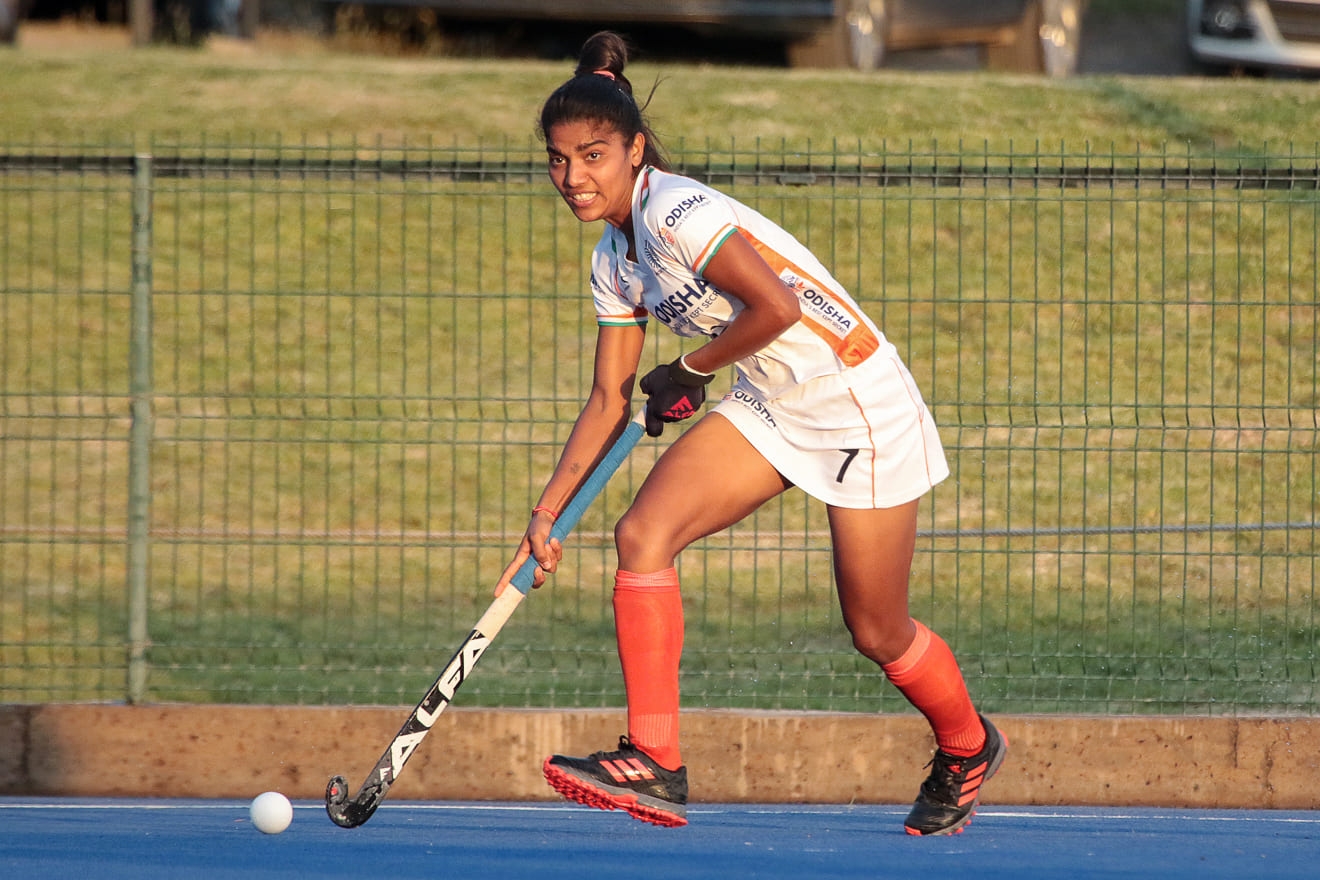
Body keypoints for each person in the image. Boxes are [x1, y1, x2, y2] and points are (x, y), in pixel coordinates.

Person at [495, 31, 1006, 837]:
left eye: (592, 156)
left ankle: (968, 745)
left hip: (853, 397)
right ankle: (656, 761)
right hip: (770, 397)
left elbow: (779, 310)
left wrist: (691, 371)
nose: (573, 178)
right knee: (643, 534)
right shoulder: (613, 258)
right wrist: (548, 513)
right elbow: (607, 398)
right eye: (558, 160)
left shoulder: (676, 209)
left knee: (876, 628)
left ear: (634, 149)